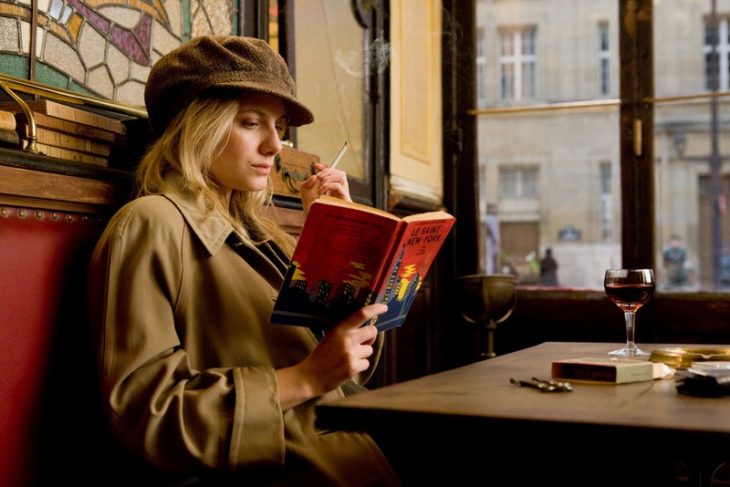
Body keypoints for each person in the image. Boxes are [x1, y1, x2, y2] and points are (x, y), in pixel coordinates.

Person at [87, 35, 400, 486]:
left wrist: (337, 237)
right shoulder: (150, 223)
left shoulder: (261, 232)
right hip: (284, 468)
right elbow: (146, 416)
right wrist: (307, 378)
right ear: (198, 126)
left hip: (344, 449)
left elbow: (347, 358)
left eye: (279, 127)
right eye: (252, 123)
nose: (275, 146)